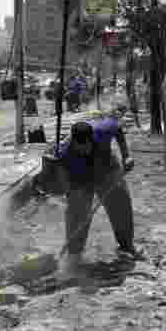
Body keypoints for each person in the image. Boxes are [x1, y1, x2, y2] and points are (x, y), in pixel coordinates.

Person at [59, 116, 136, 273]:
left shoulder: (102, 130)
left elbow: (118, 129)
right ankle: (74, 255)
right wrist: (72, 195)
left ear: (92, 139)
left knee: (120, 204)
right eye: (78, 148)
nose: (83, 151)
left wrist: (126, 155)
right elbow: (65, 179)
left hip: (107, 168)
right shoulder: (65, 152)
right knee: (77, 212)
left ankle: (126, 247)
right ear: (73, 142)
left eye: (85, 147)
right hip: (81, 179)